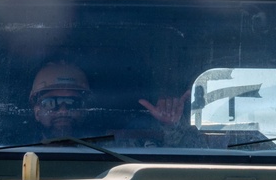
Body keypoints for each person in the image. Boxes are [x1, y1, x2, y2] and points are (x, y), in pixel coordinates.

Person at [29, 60, 201, 145]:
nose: (63, 110)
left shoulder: (115, 148)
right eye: (52, 103)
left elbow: (192, 157)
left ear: (85, 109)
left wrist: (172, 127)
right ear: (36, 110)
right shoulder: (12, 149)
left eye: (73, 102)